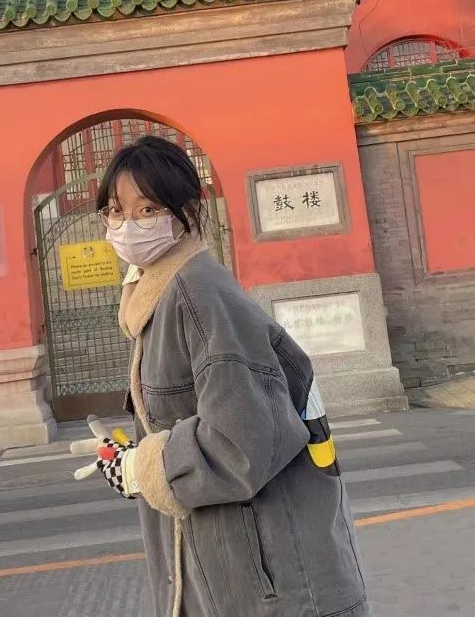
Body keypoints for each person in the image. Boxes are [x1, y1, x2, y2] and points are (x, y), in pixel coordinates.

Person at [72, 135, 371, 617]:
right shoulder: (157, 297)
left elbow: (242, 439)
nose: (127, 225)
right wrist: (131, 457)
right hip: (224, 564)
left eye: (147, 210)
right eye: (115, 211)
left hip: (274, 579)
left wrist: (140, 469)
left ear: (188, 209)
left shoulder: (197, 293)